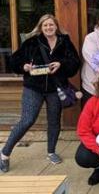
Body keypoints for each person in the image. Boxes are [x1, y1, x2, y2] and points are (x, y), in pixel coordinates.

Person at [1, 14, 81, 172]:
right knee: (27, 119)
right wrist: (24, 67)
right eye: (45, 26)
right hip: (33, 87)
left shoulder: (64, 42)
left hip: (55, 88)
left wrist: (61, 64)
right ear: (41, 27)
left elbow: (75, 63)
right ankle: (4, 154)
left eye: (51, 25)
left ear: (56, 26)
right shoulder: (32, 42)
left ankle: (51, 152)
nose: (49, 28)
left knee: (54, 121)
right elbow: (14, 60)